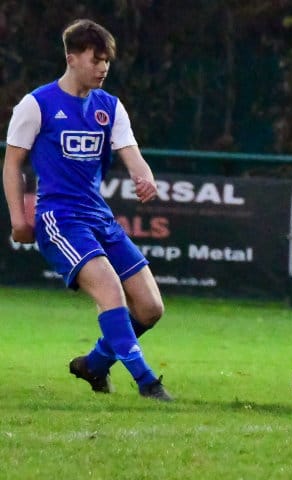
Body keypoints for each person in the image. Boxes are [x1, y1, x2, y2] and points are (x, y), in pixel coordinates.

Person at [3, 19, 172, 401]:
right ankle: (147, 382)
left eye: (107, 61)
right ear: (72, 58)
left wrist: (144, 177)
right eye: (96, 60)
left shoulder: (109, 107)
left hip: (99, 216)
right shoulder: (37, 105)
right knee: (110, 291)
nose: (103, 68)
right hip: (59, 218)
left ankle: (94, 364)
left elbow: (132, 155)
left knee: (150, 307)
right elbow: (12, 164)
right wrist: (18, 218)